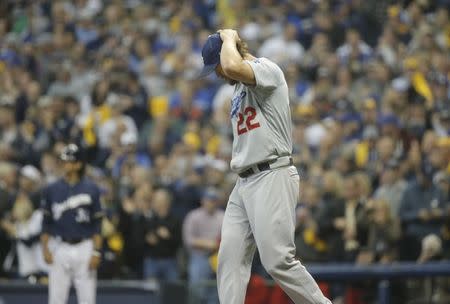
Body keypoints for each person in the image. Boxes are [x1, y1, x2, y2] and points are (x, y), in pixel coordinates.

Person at [199, 29, 331, 304]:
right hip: (244, 181)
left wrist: (228, 38)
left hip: (272, 172)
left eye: (217, 65)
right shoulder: (237, 90)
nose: (218, 73)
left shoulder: (267, 69)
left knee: (277, 261)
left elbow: (234, 65)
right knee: (229, 258)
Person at [40, 144, 103, 304]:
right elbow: (46, 223)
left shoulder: (91, 189)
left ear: (78, 164)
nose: (64, 164)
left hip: (85, 245)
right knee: (56, 299)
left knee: (87, 299)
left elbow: (97, 224)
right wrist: (45, 248)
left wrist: (96, 252)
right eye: (63, 160)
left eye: (68, 161)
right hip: (60, 245)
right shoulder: (51, 189)